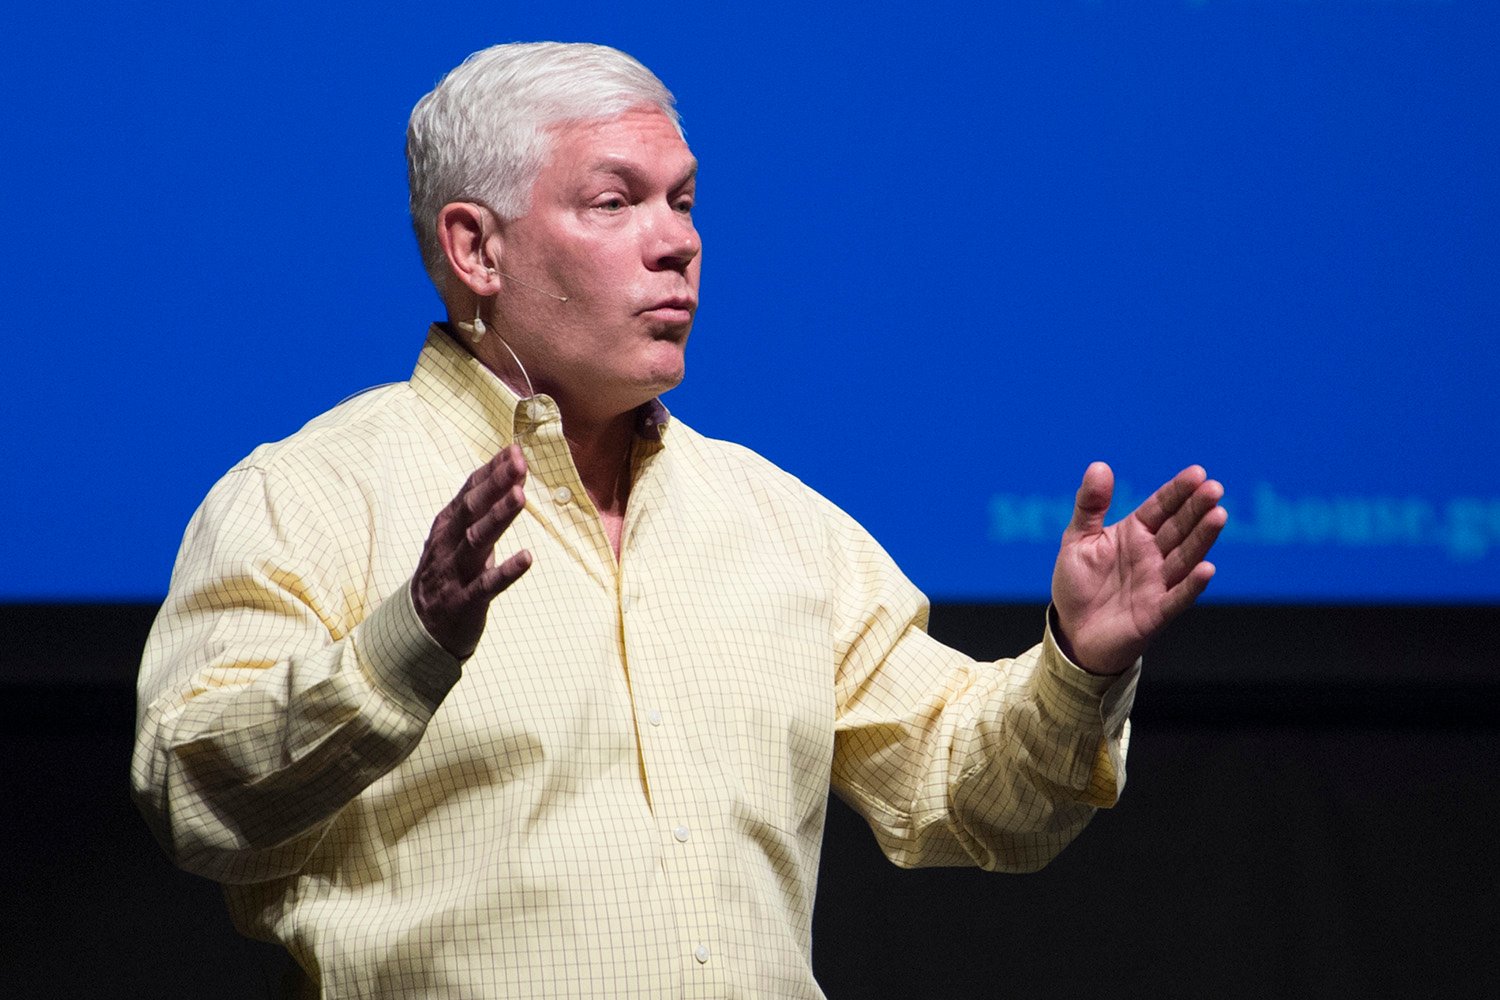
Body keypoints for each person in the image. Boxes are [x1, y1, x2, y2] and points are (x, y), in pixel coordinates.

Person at [132, 41, 1226, 999]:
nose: (678, 244)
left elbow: (970, 797)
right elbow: (188, 793)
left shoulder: (774, 519)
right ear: (476, 248)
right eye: (616, 203)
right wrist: (402, 649)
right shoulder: (308, 495)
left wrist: (1077, 665)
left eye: (684, 200)